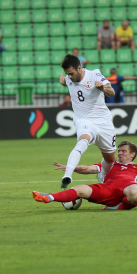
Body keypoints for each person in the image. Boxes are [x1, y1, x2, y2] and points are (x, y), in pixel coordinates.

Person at [34, 139, 137, 209]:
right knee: (80, 188)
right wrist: (70, 167)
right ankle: (49, 197)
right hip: (107, 189)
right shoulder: (111, 163)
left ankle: (118, 206)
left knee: (135, 192)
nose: (119, 153)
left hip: (128, 188)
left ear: (132, 154)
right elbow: (89, 169)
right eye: (119, 150)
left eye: (123, 151)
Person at [55, 54, 117, 189]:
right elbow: (67, 81)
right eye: (67, 74)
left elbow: (111, 92)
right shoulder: (69, 78)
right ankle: (67, 175)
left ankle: (102, 175)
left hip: (103, 121)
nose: (69, 77)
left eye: (71, 73)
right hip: (83, 119)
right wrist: (64, 82)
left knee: (110, 159)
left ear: (79, 68)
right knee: (83, 140)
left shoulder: (94, 74)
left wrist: (102, 88)